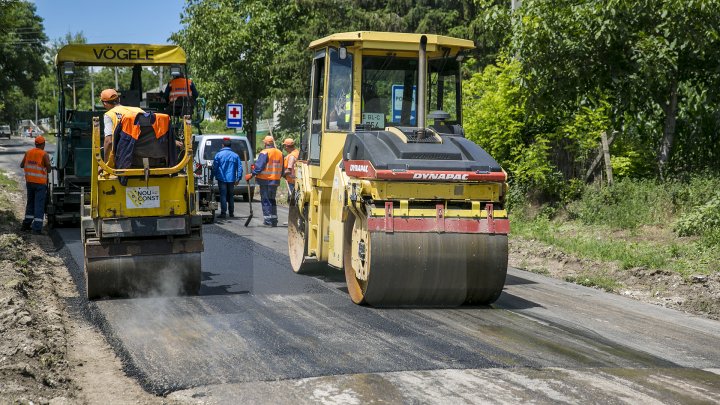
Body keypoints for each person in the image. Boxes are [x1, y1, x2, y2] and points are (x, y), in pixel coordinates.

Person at [245, 135, 283, 227]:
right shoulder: (279, 152)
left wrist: (251, 174)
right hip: (275, 180)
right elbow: (282, 168)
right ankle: (274, 220)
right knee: (272, 200)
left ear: (266, 143)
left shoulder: (264, 152)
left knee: (266, 200)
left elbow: (259, 167)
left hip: (265, 180)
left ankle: (268, 220)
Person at [101, 88, 144, 163]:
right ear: (119, 99)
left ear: (104, 103)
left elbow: (109, 141)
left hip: (123, 159)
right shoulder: (139, 110)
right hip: (145, 155)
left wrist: (105, 163)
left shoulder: (109, 115)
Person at [20, 136, 52, 234]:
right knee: (39, 205)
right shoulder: (44, 154)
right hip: (40, 184)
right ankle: (37, 229)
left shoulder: (28, 152)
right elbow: (49, 169)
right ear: (43, 144)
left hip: (29, 182)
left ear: (35, 144)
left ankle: (26, 225)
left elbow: (21, 165)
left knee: (30, 203)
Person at [212, 137, 242, 218]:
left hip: (222, 179)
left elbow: (215, 167)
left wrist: (212, 177)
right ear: (230, 146)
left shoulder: (218, 155)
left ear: (222, 145)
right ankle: (231, 213)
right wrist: (238, 178)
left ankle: (223, 213)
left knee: (223, 195)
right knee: (231, 196)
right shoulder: (235, 156)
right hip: (232, 179)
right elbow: (240, 168)